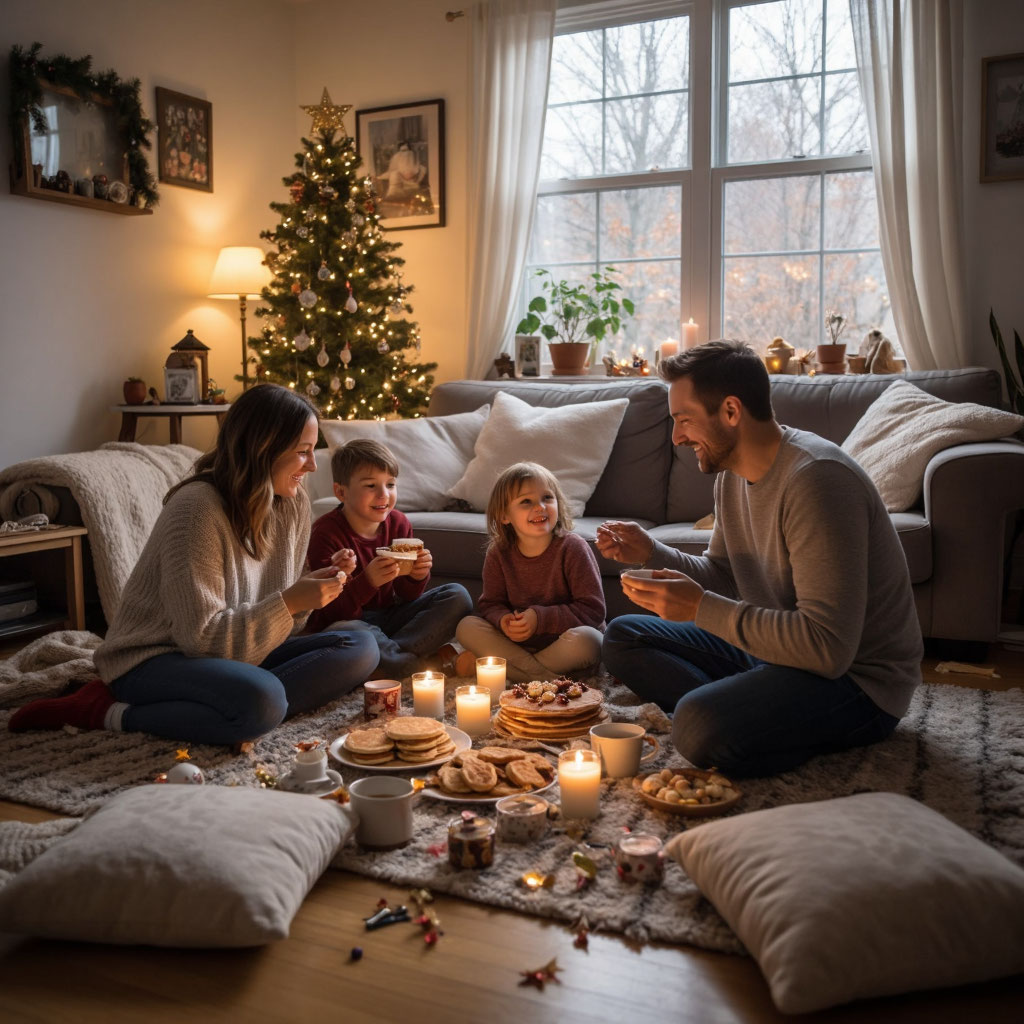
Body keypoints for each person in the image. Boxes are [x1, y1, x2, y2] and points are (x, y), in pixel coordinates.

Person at [597, 340, 923, 778]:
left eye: (684, 420)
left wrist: (698, 609)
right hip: (775, 652)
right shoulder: (732, 476)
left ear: (731, 411)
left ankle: (744, 716)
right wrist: (651, 553)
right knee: (622, 637)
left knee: (695, 726)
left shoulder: (817, 481)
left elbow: (827, 650)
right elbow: (725, 576)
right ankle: (752, 709)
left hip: (856, 683)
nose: (676, 437)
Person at [9, 385, 380, 746]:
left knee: (361, 644)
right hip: (156, 658)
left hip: (239, 653)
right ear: (263, 449)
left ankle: (233, 703)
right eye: (303, 452)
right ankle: (101, 709)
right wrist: (291, 602)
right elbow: (201, 639)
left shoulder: (292, 502)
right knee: (261, 701)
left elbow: (286, 620)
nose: (313, 465)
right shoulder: (197, 509)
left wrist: (310, 588)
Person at [305, 438, 472, 678]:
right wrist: (367, 581)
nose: (384, 494)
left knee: (457, 596)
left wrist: (416, 577)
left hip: (390, 619)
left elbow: (406, 596)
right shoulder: (326, 534)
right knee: (352, 632)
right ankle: (421, 663)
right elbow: (328, 615)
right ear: (341, 492)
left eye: (391, 484)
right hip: (352, 623)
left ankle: (385, 663)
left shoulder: (399, 523)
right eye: (371, 485)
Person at [456, 461, 605, 682]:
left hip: (565, 642)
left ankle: (507, 671)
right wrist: (504, 619)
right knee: (466, 627)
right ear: (505, 516)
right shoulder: (499, 553)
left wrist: (539, 618)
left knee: (590, 641)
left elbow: (593, 611)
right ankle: (542, 676)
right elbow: (490, 604)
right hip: (518, 645)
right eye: (526, 501)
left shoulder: (573, 548)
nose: (540, 507)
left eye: (547, 498)